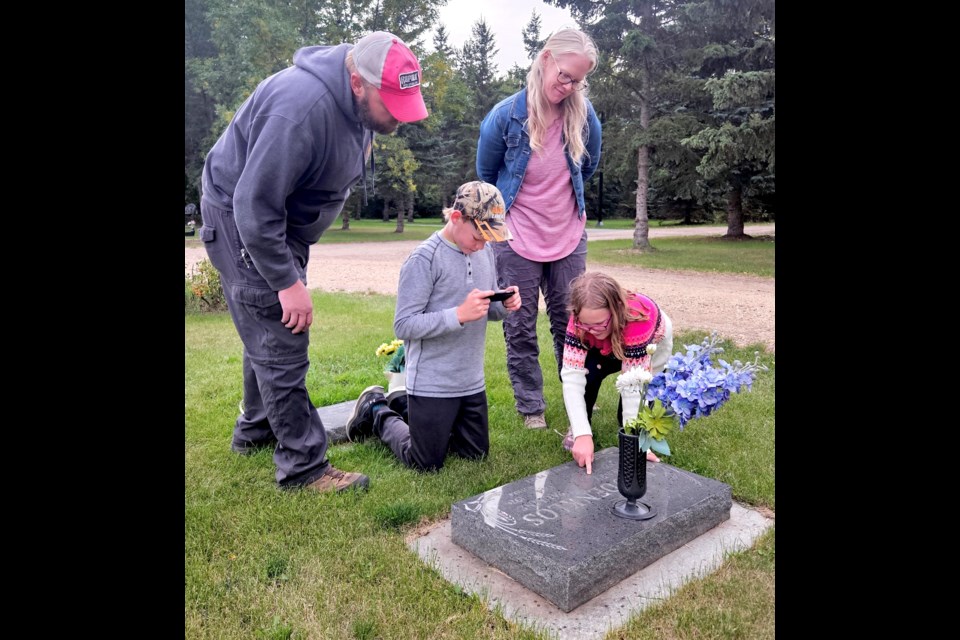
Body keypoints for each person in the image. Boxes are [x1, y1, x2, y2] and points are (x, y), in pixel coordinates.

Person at [198, 31, 428, 493]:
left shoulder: (355, 102)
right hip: (246, 221)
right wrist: (286, 281)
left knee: (266, 330)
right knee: (283, 333)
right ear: (358, 82)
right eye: (393, 107)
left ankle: (254, 433)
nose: (399, 121)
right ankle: (304, 470)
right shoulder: (299, 109)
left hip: (281, 226)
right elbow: (253, 204)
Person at [344, 181, 521, 471]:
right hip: (432, 381)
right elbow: (404, 324)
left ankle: (401, 401)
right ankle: (376, 409)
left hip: (470, 380)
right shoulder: (424, 259)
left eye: (489, 237)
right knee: (424, 462)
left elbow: (486, 309)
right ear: (455, 218)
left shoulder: (484, 253)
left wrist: (504, 305)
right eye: (479, 235)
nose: (483, 243)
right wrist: (458, 315)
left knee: (474, 455)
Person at [476, 28, 602, 431]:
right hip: (516, 238)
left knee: (573, 324)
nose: (567, 87)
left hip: (567, 236)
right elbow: (487, 176)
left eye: (577, 81)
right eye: (564, 75)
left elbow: (589, 166)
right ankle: (532, 407)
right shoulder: (505, 115)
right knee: (519, 325)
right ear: (545, 58)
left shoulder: (584, 117)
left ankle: (576, 399)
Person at [560, 272, 674, 474]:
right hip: (606, 344)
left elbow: (634, 386)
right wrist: (582, 434)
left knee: (630, 415)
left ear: (616, 310)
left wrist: (637, 440)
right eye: (585, 324)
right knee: (588, 377)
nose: (592, 330)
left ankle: (637, 435)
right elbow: (572, 376)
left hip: (648, 348)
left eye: (598, 324)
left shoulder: (638, 321)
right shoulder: (580, 323)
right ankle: (580, 428)